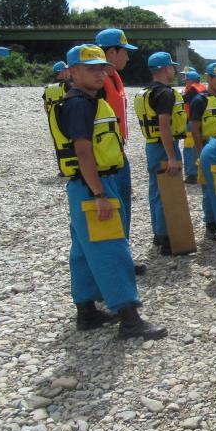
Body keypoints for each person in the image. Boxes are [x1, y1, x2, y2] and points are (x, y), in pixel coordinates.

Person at [50, 44, 166, 340]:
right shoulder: (79, 103)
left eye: (102, 68)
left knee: (83, 251)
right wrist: (100, 194)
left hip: (85, 186)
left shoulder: (84, 99)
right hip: (94, 185)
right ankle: (129, 319)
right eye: (91, 69)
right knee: (112, 250)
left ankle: (86, 312)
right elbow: (84, 151)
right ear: (73, 72)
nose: (99, 73)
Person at [95, 27, 146, 275]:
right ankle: (113, 265)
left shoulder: (113, 78)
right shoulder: (97, 84)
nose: (128, 57)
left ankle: (122, 258)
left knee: (124, 208)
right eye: (124, 51)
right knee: (112, 211)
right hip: (105, 161)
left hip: (118, 154)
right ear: (111, 52)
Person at [133, 52, 187, 255]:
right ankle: (168, 240)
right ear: (165, 69)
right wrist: (172, 156)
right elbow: (164, 125)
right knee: (169, 192)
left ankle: (158, 235)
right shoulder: (165, 93)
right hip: (165, 146)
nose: (173, 70)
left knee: (156, 191)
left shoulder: (145, 92)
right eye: (172, 67)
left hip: (152, 146)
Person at [189, 62, 216, 241]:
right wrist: (200, 153)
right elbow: (195, 130)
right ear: (209, 78)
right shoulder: (200, 100)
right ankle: (210, 226)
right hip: (208, 148)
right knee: (208, 189)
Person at [181, 68, 207, 184]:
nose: (185, 81)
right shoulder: (202, 89)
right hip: (202, 122)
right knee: (198, 147)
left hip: (192, 122)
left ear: (191, 80)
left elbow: (182, 101)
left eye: (186, 79)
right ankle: (200, 171)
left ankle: (191, 174)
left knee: (189, 148)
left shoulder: (193, 91)